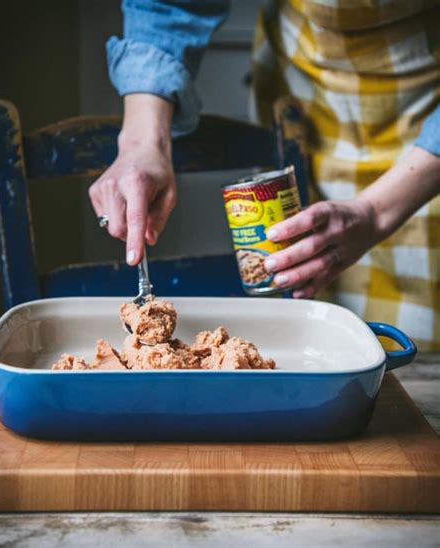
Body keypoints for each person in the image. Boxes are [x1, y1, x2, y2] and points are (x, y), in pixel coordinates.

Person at [88, 0, 440, 350]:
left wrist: (377, 212)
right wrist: (141, 140)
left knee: (410, 347)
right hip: (300, 87)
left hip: (426, 126)